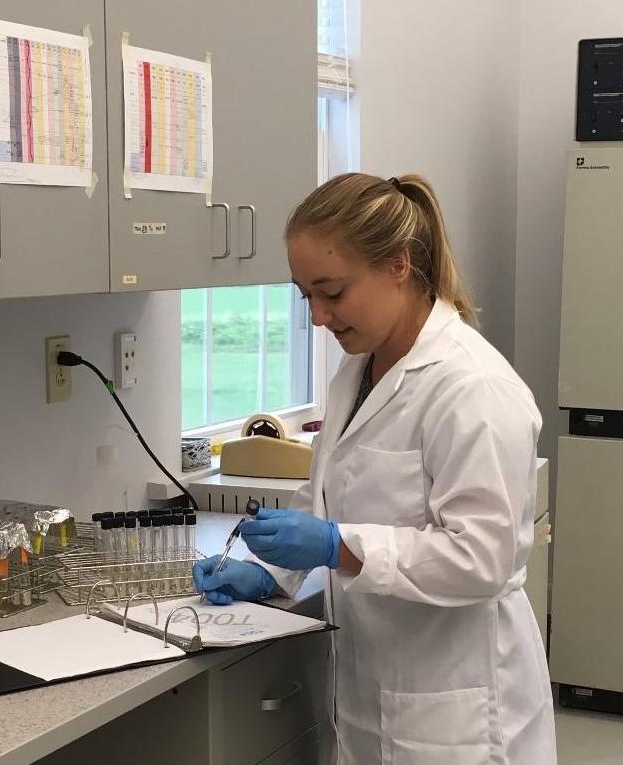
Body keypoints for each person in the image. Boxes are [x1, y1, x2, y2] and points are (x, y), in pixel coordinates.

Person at [193, 172, 557, 765]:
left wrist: (338, 546)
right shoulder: (357, 371)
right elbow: (329, 500)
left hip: (455, 712)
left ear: (398, 266)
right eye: (304, 294)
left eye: (332, 293)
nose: (316, 316)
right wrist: (272, 575)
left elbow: (484, 558)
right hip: (370, 699)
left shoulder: (472, 387)